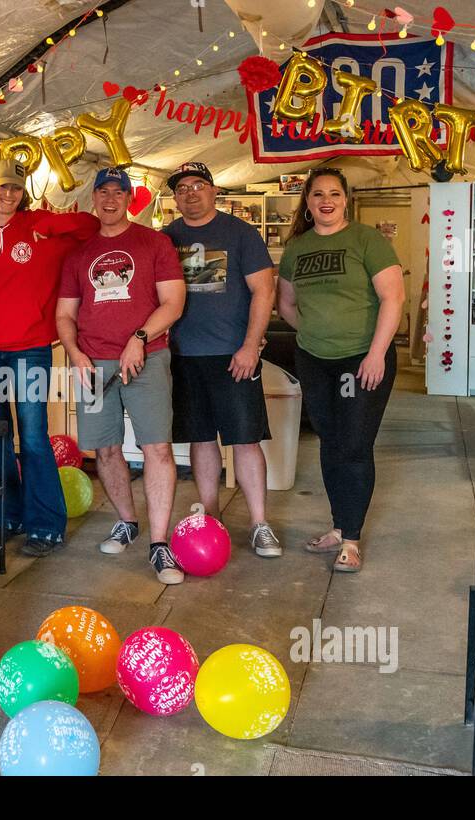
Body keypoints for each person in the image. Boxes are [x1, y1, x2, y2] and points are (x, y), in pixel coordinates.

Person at [0, 158, 98, 557]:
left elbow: (90, 225)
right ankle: (7, 514)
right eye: (3, 187)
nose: (8, 194)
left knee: (33, 435)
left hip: (30, 348)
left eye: (16, 188)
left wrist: (49, 223)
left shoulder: (39, 229)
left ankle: (46, 524)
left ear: (24, 192)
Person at [57, 168, 187, 584]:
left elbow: (174, 303)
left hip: (147, 357)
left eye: (119, 192)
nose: (110, 199)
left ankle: (160, 544)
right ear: (92, 198)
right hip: (93, 364)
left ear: (130, 199)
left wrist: (139, 337)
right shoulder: (79, 254)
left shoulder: (155, 242)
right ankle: (128, 521)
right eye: (103, 192)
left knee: (157, 449)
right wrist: (75, 354)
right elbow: (64, 314)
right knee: (107, 450)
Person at [277, 168, 405, 574]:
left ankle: (351, 539)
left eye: (334, 193)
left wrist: (376, 354)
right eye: (318, 194)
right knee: (330, 443)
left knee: (353, 444)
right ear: (308, 201)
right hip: (314, 360)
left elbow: (393, 298)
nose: (326, 200)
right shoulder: (297, 248)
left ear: (346, 199)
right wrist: (314, 334)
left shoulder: (367, 240)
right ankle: (338, 525)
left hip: (361, 360)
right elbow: (287, 305)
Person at [163, 161, 282, 559]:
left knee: (246, 438)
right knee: (200, 437)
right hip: (183, 355)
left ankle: (260, 523)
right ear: (175, 197)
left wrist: (251, 345)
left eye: (198, 185)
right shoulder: (166, 238)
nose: (191, 193)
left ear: (214, 191)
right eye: (182, 188)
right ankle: (210, 515)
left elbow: (264, 291)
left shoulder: (240, 233)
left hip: (234, 355)